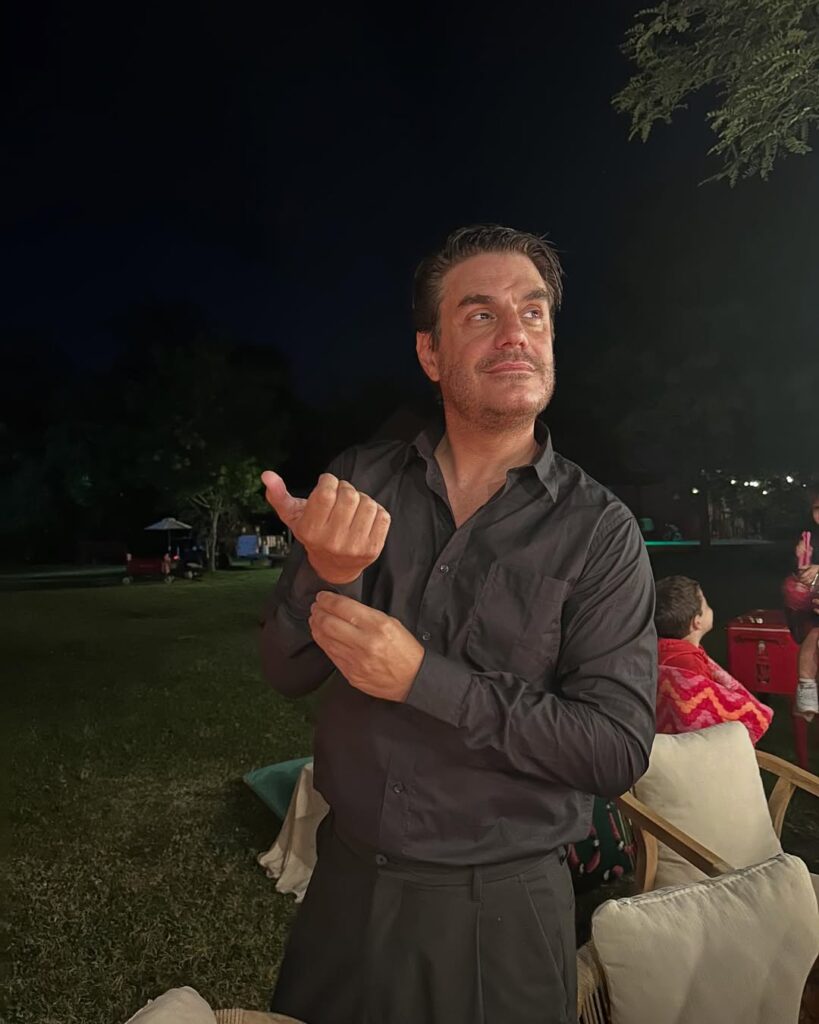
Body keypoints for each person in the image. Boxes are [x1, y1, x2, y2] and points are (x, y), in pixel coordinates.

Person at [259, 224, 657, 1024]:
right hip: (344, 887)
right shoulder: (360, 481)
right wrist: (324, 571)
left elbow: (614, 748)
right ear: (430, 353)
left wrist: (422, 680)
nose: (515, 333)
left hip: (500, 912)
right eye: (480, 314)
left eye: (533, 313)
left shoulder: (598, 531)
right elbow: (286, 669)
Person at [654, 575, 773, 744]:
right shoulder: (689, 667)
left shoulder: (658, 652)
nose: (711, 609)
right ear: (697, 622)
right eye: (707, 606)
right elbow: (705, 717)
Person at [785, 492, 819, 720]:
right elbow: (802, 574)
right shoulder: (810, 538)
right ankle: (807, 687)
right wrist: (803, 562)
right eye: (817, 508)